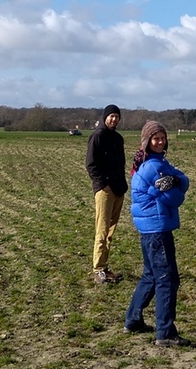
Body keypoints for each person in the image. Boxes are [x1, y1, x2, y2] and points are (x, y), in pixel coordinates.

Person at [124, 120, 192, 347]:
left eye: (163, 137)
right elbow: (176, 198)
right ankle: (165, 332)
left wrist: (176, 180)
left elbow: (182, 179)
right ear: (147, 142)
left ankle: (133, 319)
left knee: (151, 275)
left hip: (148, 229)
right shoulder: (154, 167)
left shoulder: (155, 162)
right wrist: (176, 184)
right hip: (157, 228)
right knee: (167, 279)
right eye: (156, 138)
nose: (160, 141)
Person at [86, 104, 128, 284]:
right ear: (105, 117)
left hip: (119, 189)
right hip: (105, 191)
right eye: (111, 116)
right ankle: (98, 269)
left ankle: (104, 266)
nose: (114, 119)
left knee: (110, 230)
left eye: (117, 117)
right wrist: (103, 185)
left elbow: (121, 163)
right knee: (102, 230)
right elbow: (91, 165)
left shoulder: (118, 138)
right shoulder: (97, 136)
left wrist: (121, 186)